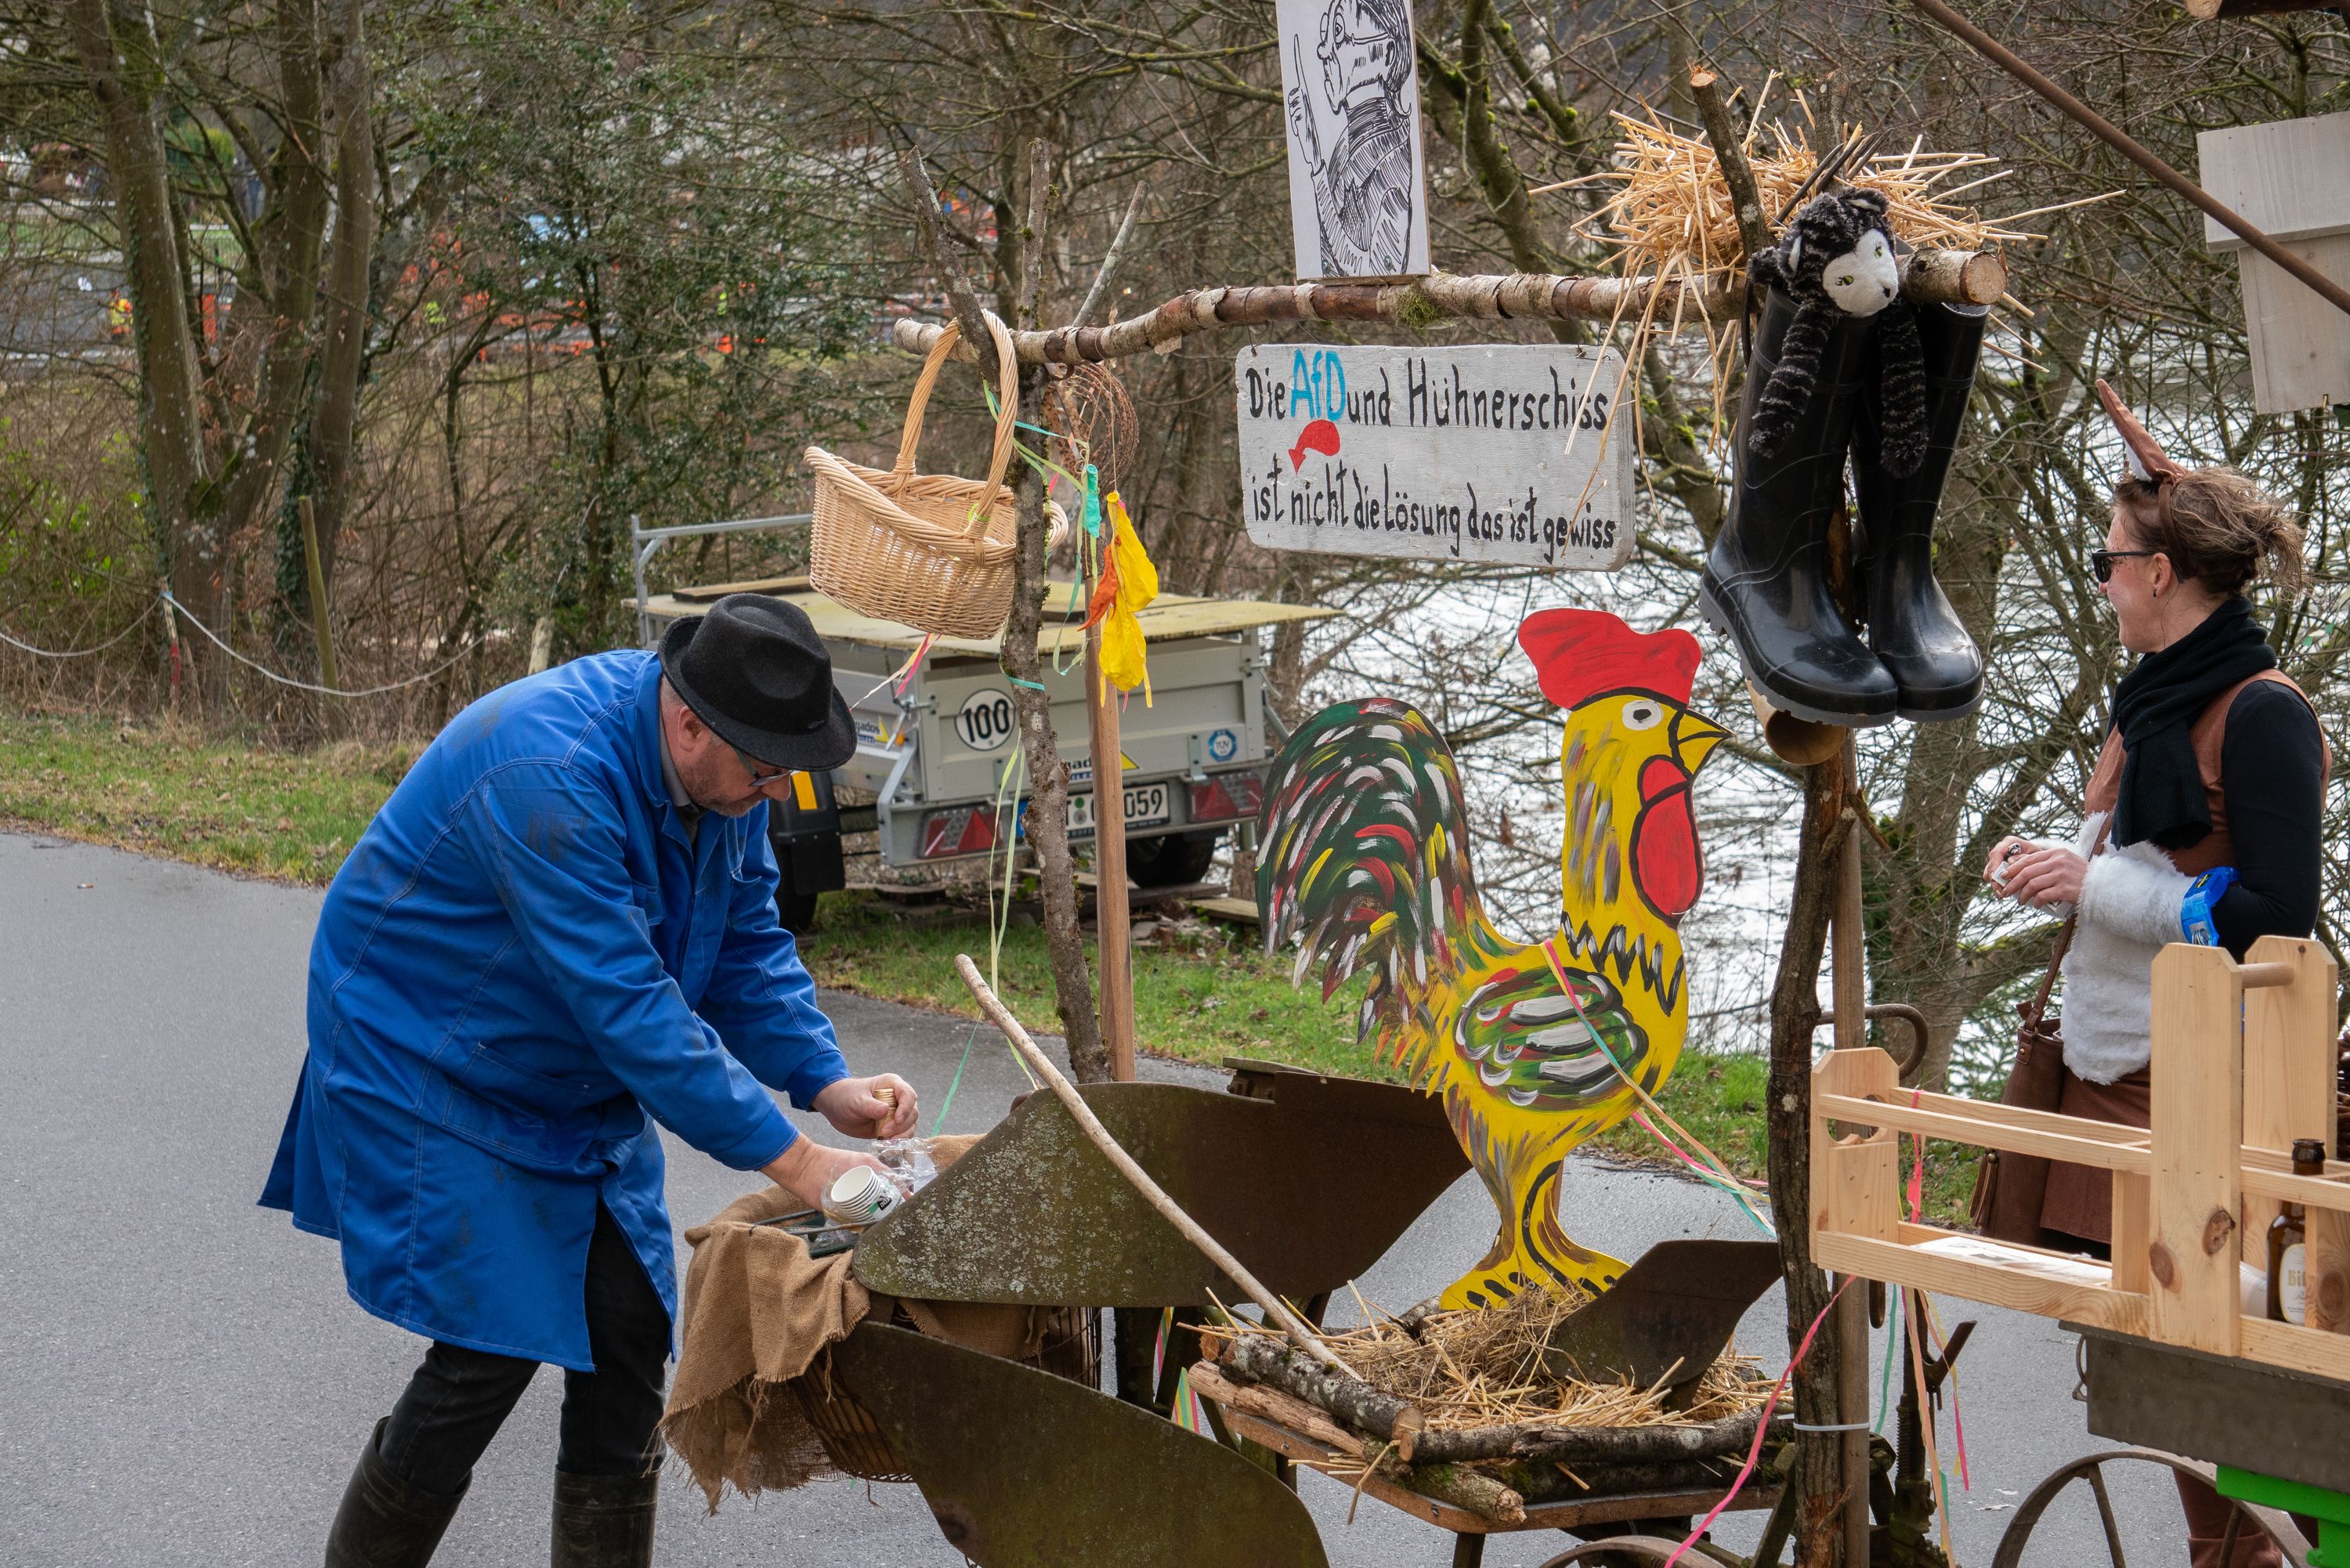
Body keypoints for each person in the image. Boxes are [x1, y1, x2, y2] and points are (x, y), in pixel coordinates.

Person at [260, 594, 918, 1568]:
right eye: (764, 768)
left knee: (626, 1333)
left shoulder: (723, 773)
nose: (777, 790)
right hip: (429, 1053)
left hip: (559, 1057)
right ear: (690, 722)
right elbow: (633, 1013)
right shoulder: (550, 773)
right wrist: (803, 1163)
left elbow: (743, 943)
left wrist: (824, 1082)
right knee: (491, 1344)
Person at [1986, 382, 2325, 1568]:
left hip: (2208, 1091)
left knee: (2208, 1361)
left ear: (2167, 574)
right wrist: (2047, 858)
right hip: (2115, 1074)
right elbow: (2123, 854)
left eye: (2112, 559)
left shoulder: (2265, 714)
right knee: (2156, 1366)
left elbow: (2283, 923)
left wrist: (2095, 891)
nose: (2103, 578)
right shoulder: (2147, 703)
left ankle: (2251, 1557)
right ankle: (2230, 1555)